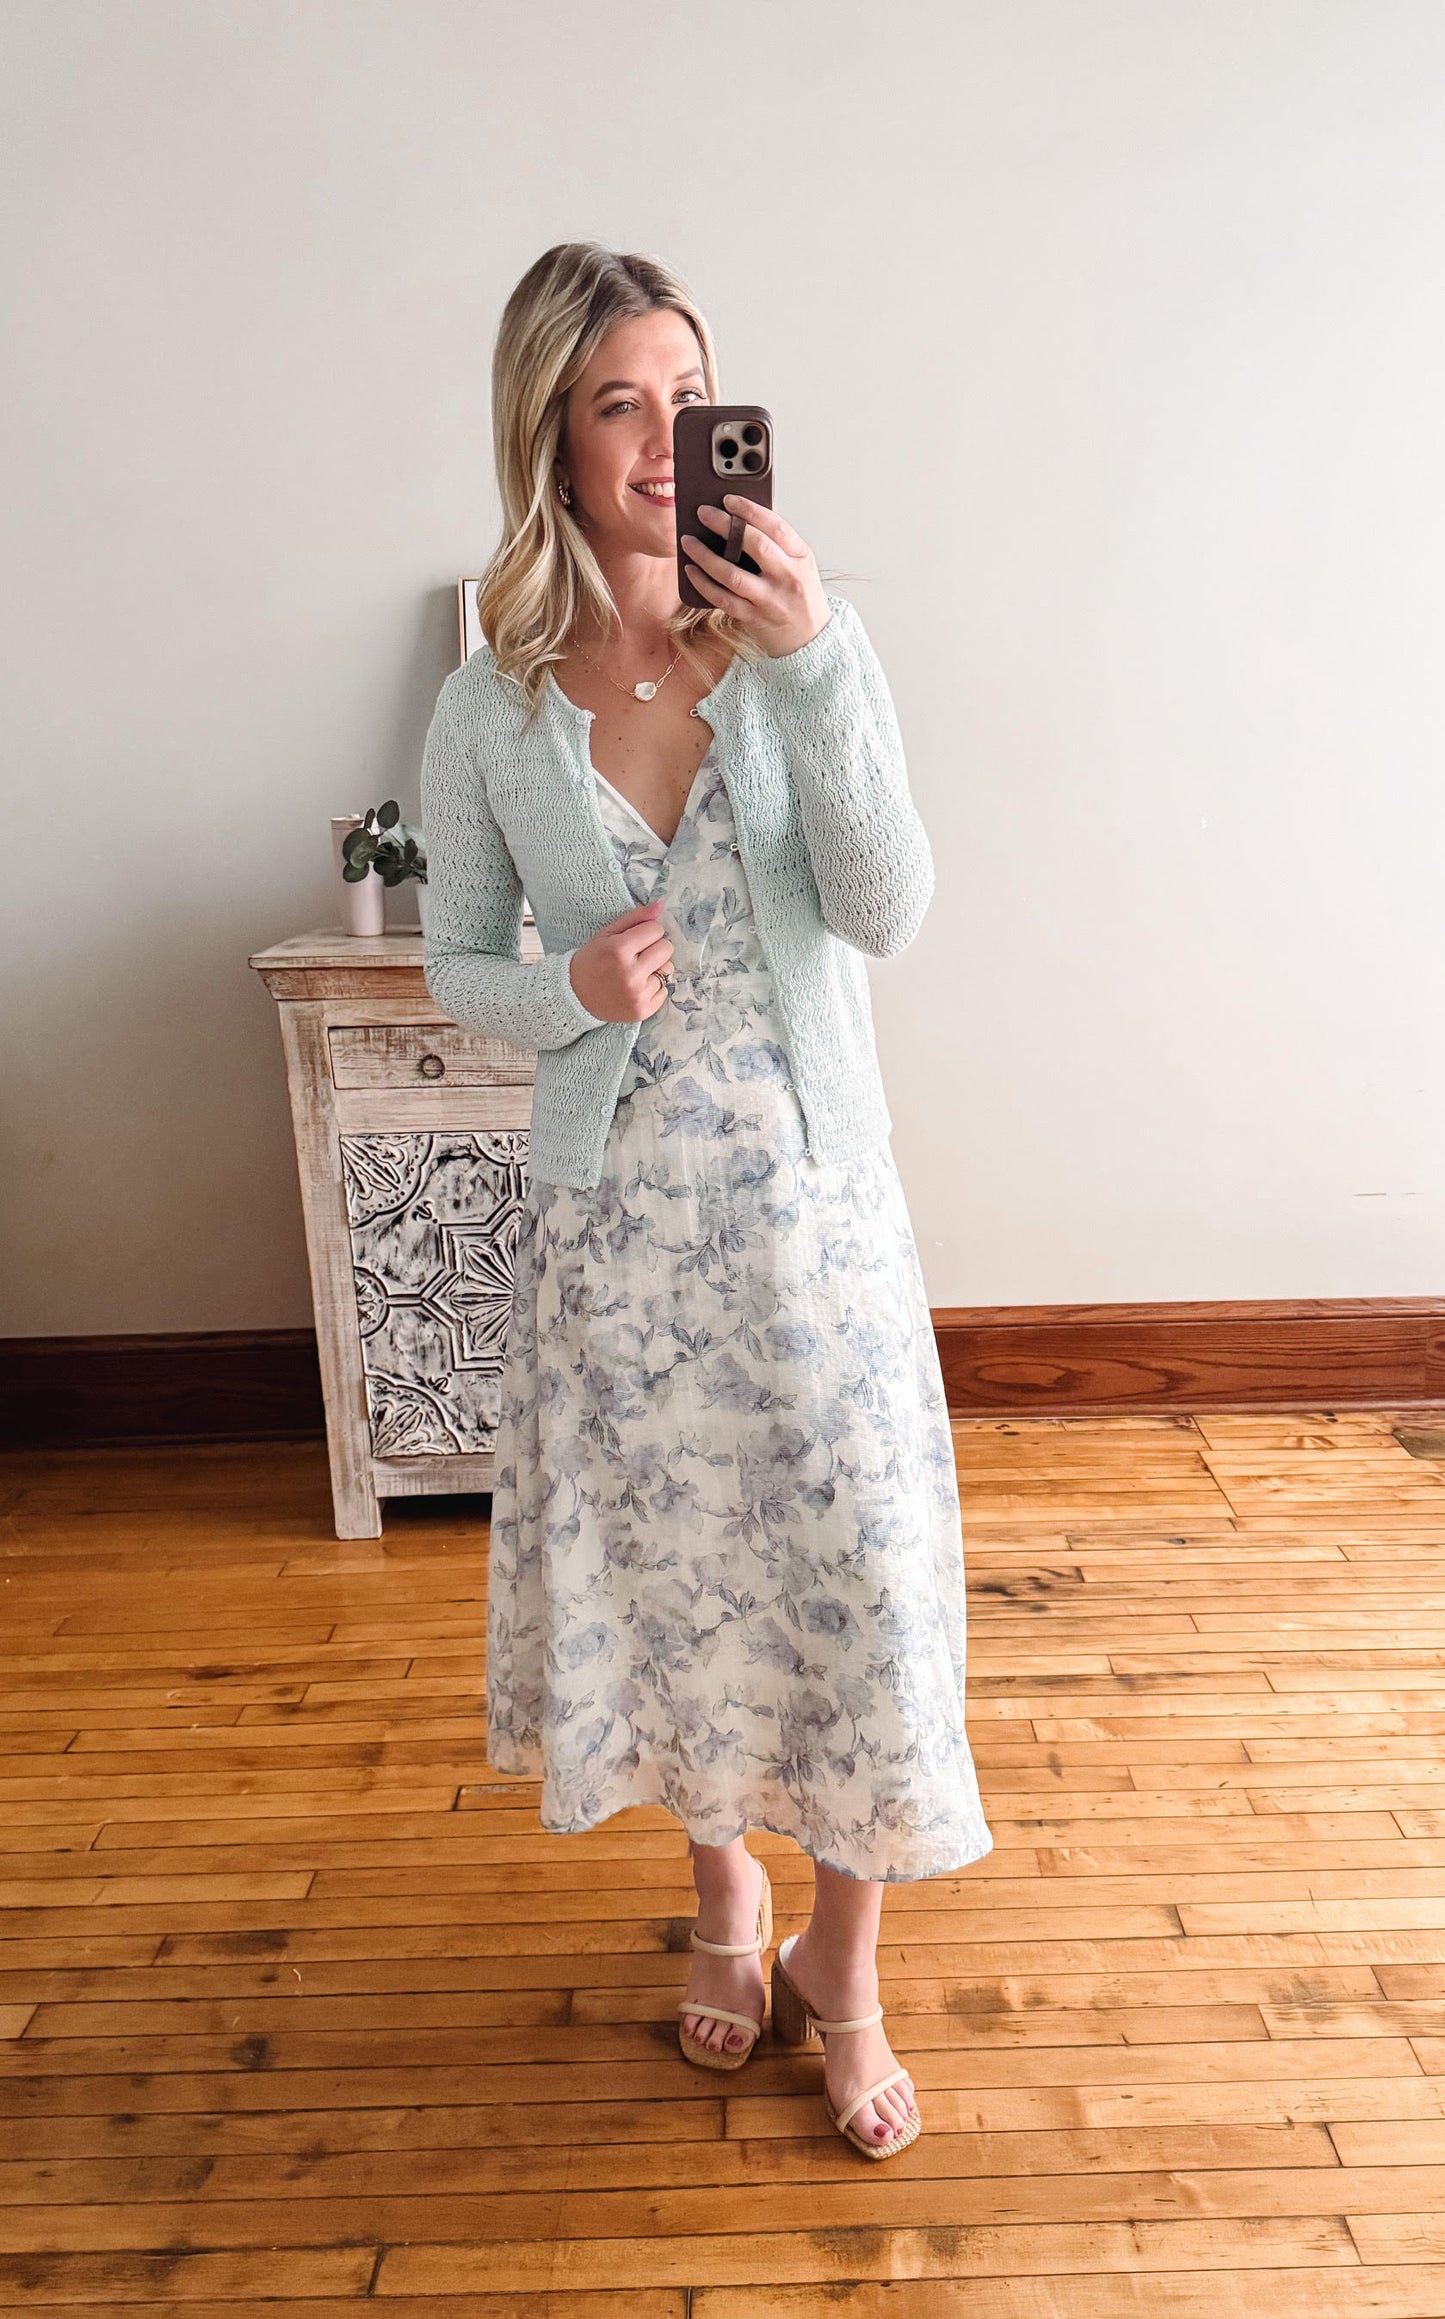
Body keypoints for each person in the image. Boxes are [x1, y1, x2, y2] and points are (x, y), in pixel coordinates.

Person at [421, 241, 991, 2159]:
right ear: (553, 444)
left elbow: (890, 907)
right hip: (620, 1233)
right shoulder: (492, 705)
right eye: (617, 404)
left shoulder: (806, 646)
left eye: (690, 396)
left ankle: (851, 1959)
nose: (666, 440)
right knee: (678, 1578)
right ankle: (724, 1889)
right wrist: (569, 991)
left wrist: (815, 662)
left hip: (809, 1212)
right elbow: (454, 968)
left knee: (849, 1583)